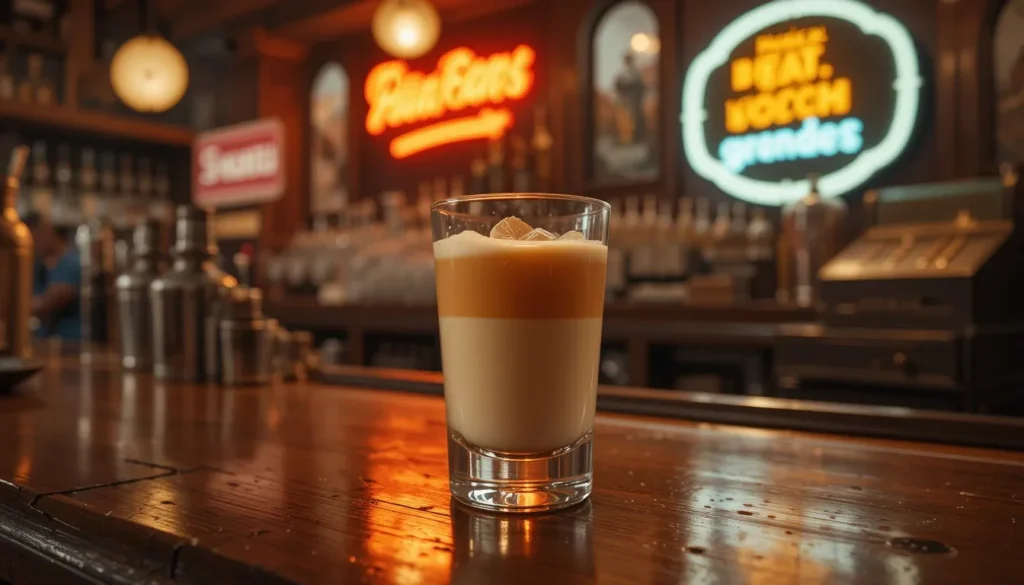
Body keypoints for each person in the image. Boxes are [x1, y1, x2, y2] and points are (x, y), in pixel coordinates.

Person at [24, 212, 81, 340]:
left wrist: (18, 306)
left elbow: (51, 301)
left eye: (33, 237)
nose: (31, 244)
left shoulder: (72, 262)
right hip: (47, 345)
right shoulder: (41, 265)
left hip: (72, 345)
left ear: (46, 231)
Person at [614, 53, 648, 144]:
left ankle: (637, 138)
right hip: (625, 100)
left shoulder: (636, 73)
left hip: (635, 100)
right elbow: (618, 86)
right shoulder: (623, 74)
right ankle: (627, 138)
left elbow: (641, 87)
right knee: (626, 118)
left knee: (636, 117)